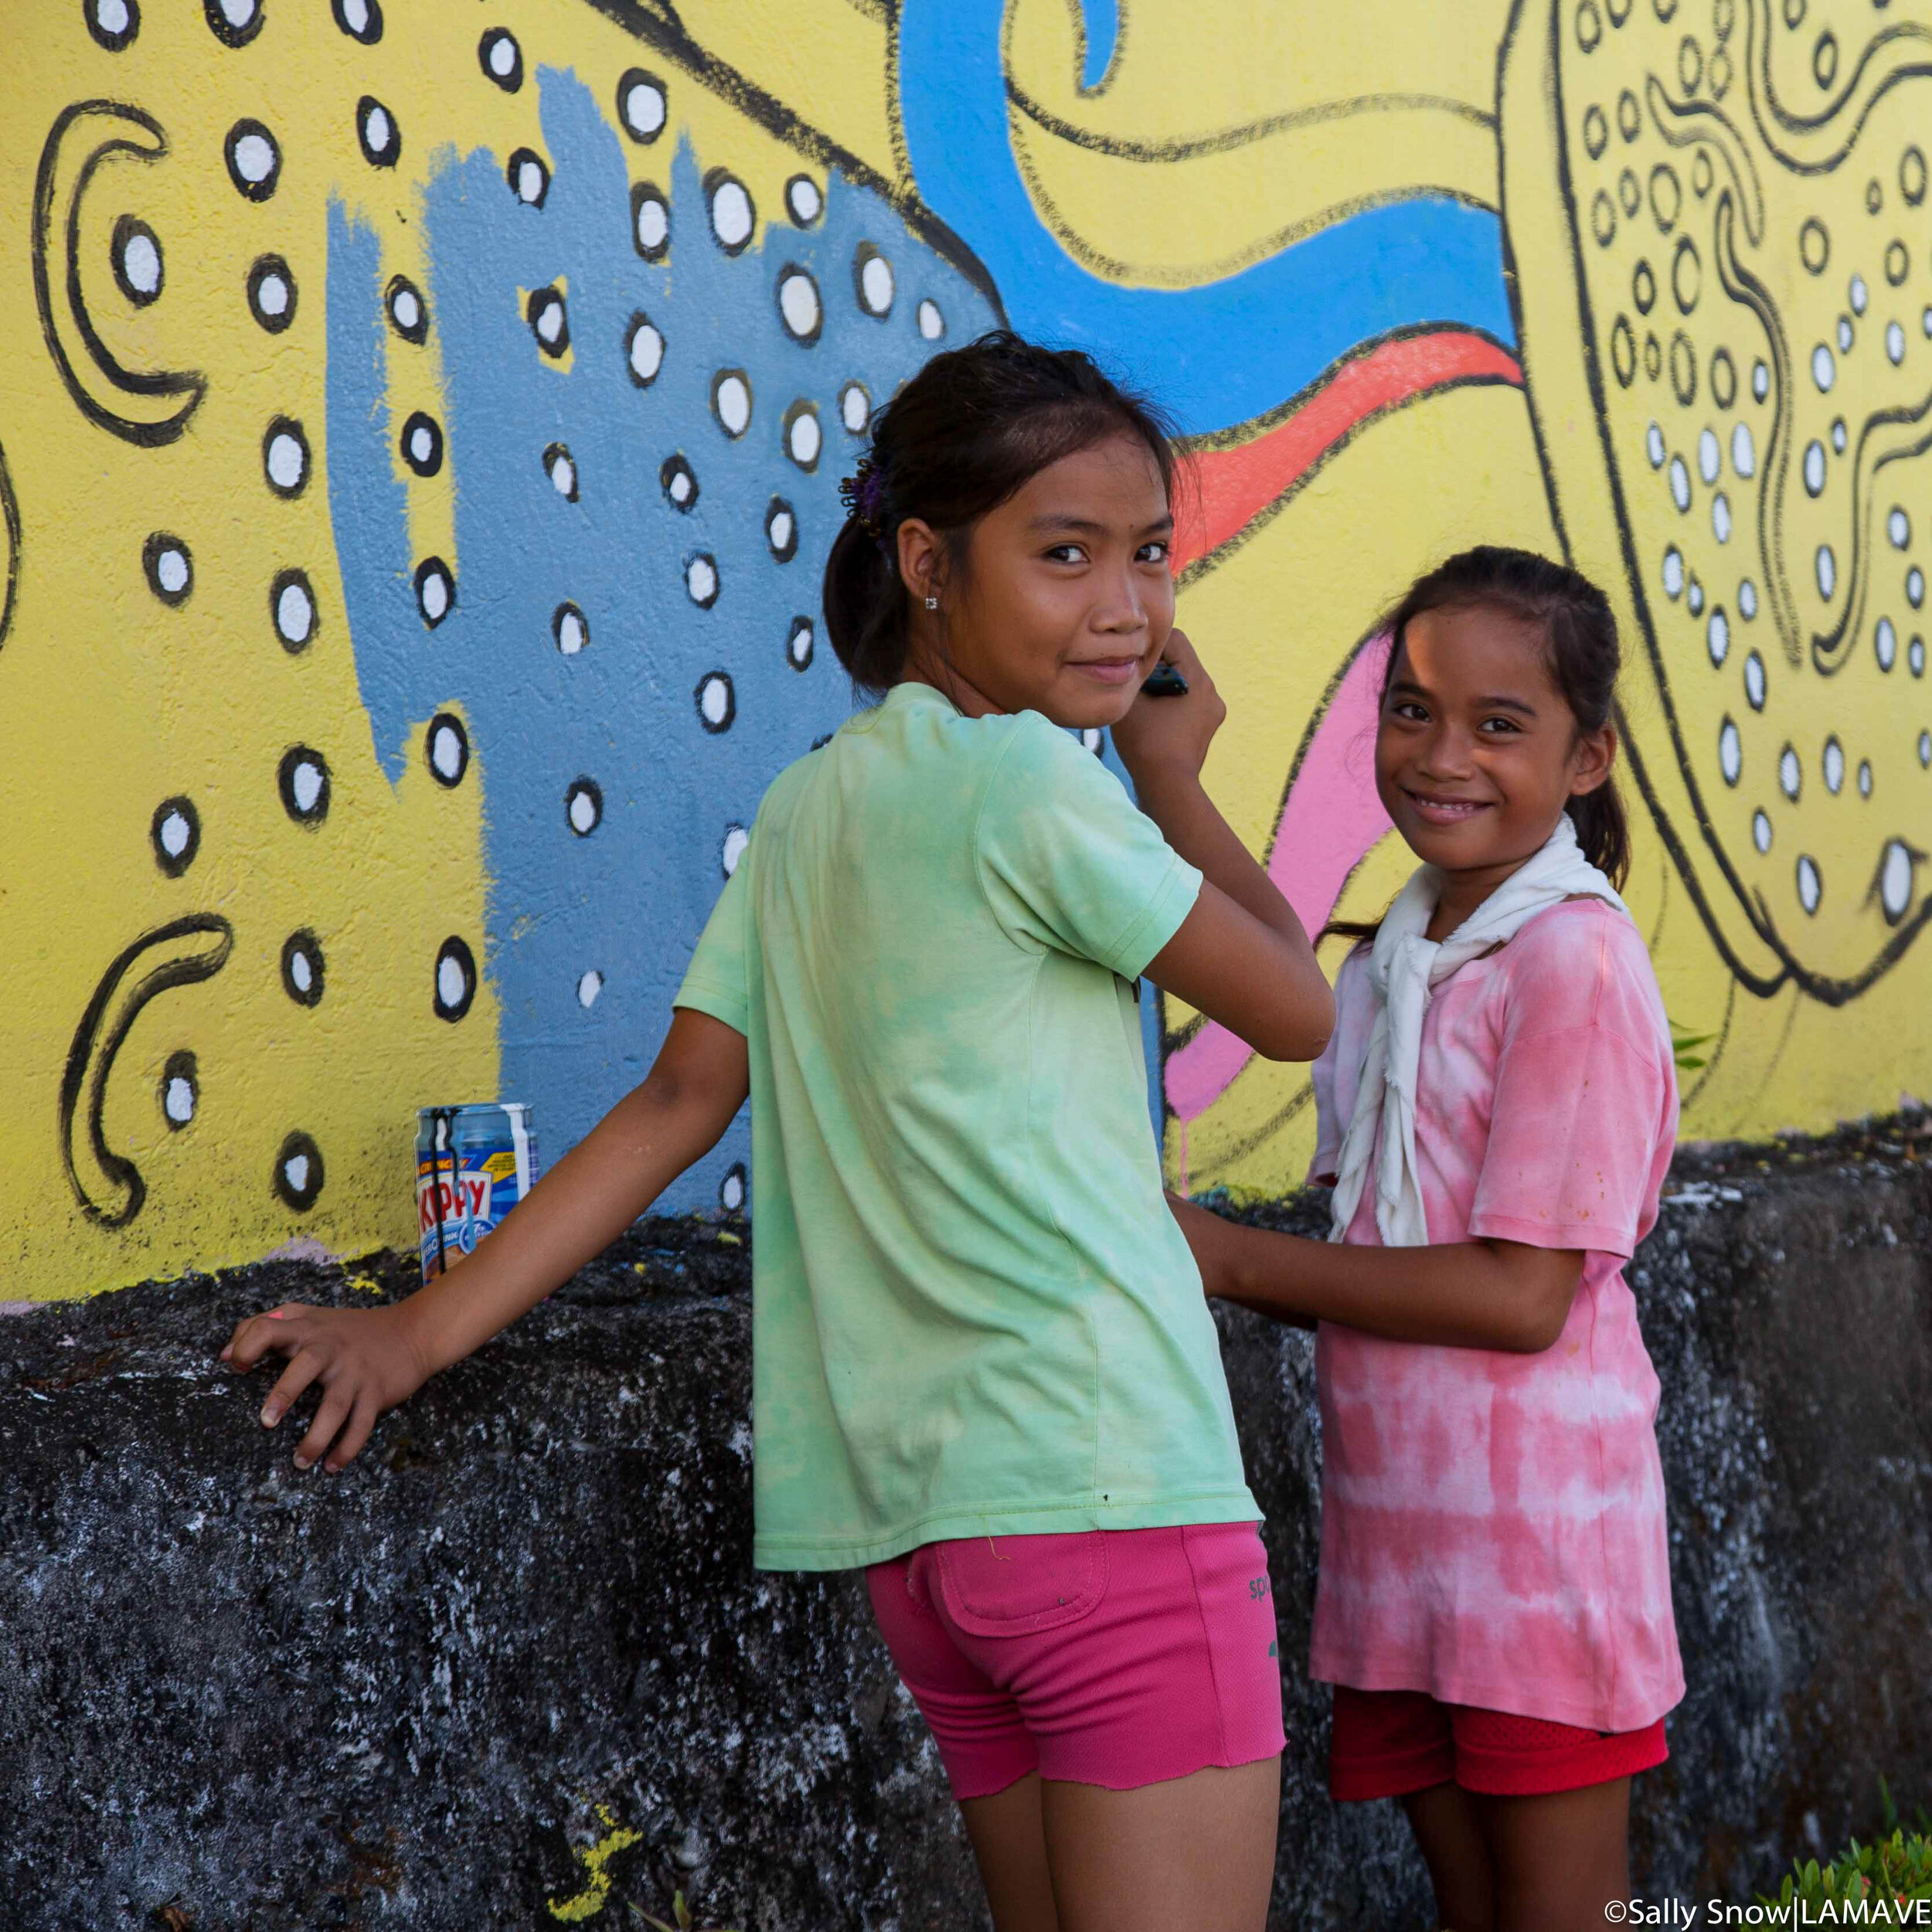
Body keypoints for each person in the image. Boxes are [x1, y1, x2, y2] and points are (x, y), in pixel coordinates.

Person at [221, 331, 1335, 1931]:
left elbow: (676, 1102)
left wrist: (412, 1336)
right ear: (926, 562)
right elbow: (1296, 1002)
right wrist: (1168, 776)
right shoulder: (1036, 786)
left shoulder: (810, 806)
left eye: (1151, 555)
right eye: (1065, 552)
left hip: (929, 1545)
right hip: (1111, 1493)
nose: (1126, 606)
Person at [1175, 546, 1684, 1932]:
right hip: (1406, 1547)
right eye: (1412, 710)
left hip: (1541, 1561)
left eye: (1499, 724)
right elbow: (1374, 1235)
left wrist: (1224, 1255)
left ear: (1589, 759)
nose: (1441, 755)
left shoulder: (1570, 958)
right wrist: (1172, 777)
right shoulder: (1392, 957)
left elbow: (1525, 1297)